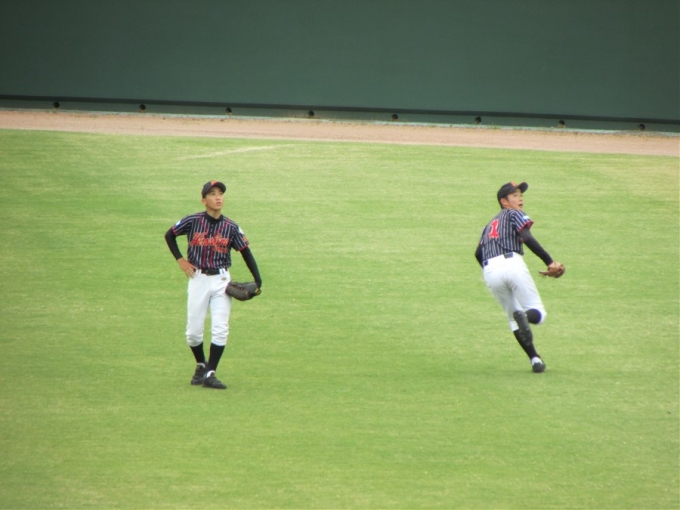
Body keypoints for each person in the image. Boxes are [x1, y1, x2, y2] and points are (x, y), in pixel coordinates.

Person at [165, 180, 262, 389]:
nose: (218, 197)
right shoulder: (192, 221)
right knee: (193, 333)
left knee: (220, 328)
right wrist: (181, 260)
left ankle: (210, 373)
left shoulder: (231, 227)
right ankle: (201, 364)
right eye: (212, 194)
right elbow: (170, 235)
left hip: (221, 281)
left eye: (220, 193)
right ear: (204, 200)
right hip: (197, 278)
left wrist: (258, 280)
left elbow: (245, 252)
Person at [474, 182, 563, 373]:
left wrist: (491, 272)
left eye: (520, 195)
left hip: (490, 271)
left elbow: (477, 253)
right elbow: (527, 237)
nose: (520, 198)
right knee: (538, 313)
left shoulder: (488, 226)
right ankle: (525, 316)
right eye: (514, 195)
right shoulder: (513, 213)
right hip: (512, 263)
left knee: (513, 320)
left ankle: (535, 360)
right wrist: (549, 261)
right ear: (504, 202)